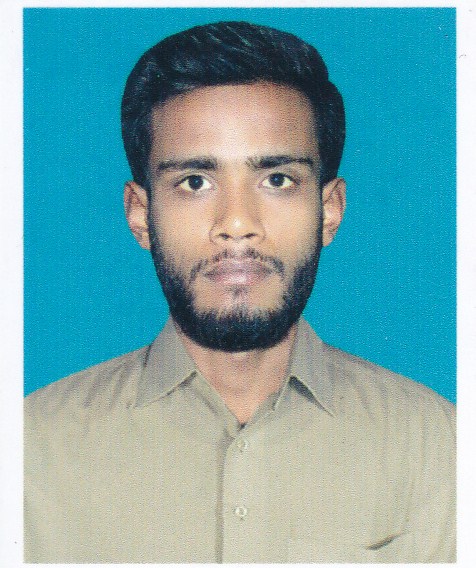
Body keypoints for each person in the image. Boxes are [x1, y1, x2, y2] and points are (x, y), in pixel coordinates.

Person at [24, 21, 455, 563]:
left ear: (329, 211)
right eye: (195, 182)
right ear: (140, 214)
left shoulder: (438, 444)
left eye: (277, 180)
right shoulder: (30, 447)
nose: (236, 224)